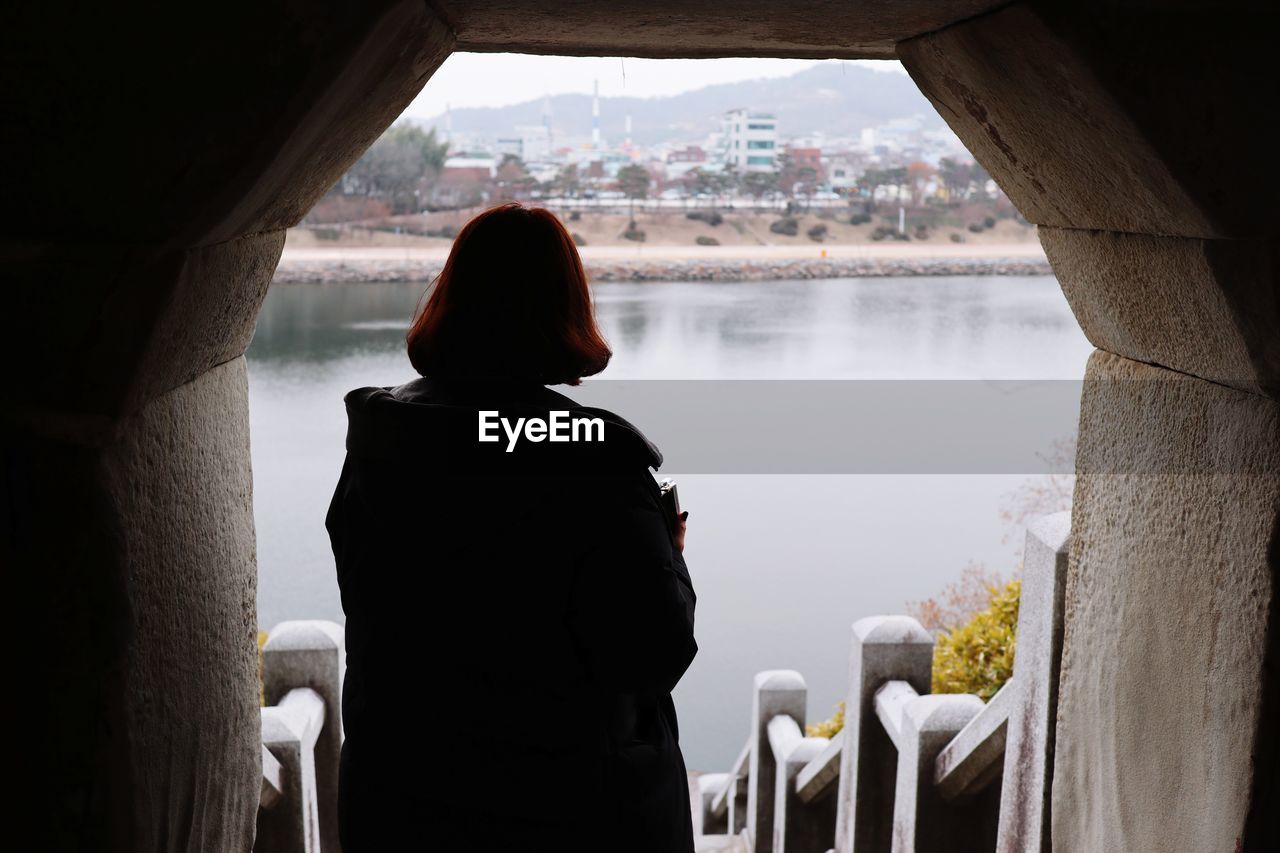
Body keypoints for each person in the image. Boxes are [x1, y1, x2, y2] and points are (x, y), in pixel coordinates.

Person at [326, 203, 697, 852]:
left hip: (403, 802)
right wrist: (671, 553)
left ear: (450, 300)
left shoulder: (381, 444)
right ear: (564, 308)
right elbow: (653, 651)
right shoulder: (596, 461)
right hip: (569, 810)